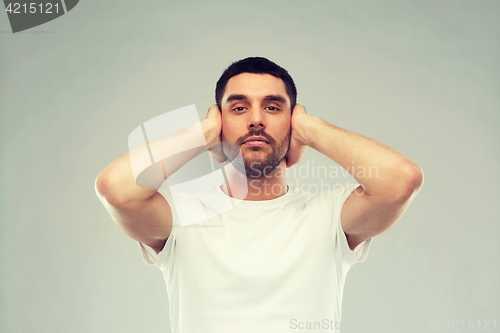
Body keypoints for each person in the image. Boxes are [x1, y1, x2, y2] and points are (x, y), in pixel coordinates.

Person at [95, 57, 424, 333]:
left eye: (273, 107)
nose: (255, 120)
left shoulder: (329, 216)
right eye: (238, 108)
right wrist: (204, 133)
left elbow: (401, 180)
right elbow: (116, 189)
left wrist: (310, 129)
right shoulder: (183, 216)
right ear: (219, 121)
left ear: (291, 121)